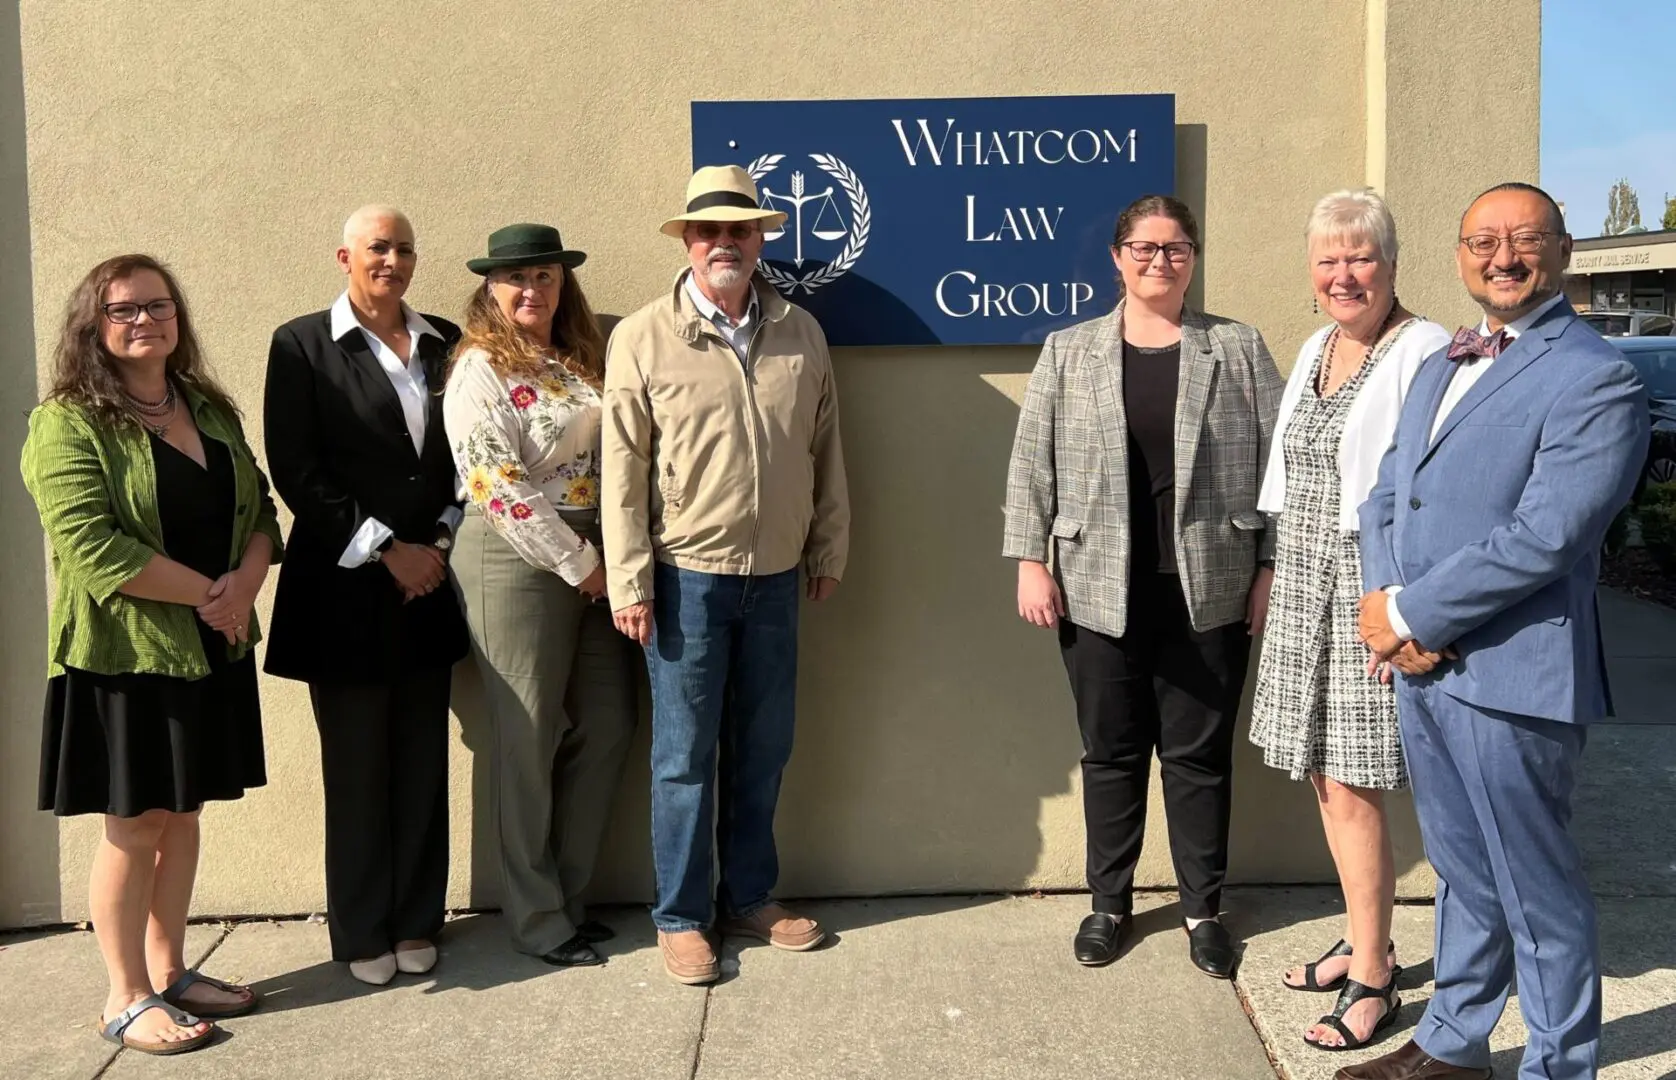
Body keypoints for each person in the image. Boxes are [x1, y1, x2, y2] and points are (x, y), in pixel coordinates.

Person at [1343, 182, 1648, 1080]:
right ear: (1460, 254)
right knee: (1464, 872)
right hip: (1424, 671)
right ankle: (1452, 1045)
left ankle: (1559, 1066)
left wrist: (1409, 614)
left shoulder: (1597, 375)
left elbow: (1548, 535)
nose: (1502, 257)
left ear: (1563, 251)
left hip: (1517, 674)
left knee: (1534, 888)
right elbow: (1385, 495)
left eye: (1524, 240)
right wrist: (1387, 612)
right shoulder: (1442, 360)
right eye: (1482, 241)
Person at [1003, 194, 1283, 978]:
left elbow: (1282, 468)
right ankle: (1110, 904)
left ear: (1193, 256)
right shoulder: (1070, 350)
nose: (1162, 260)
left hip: (1210, 587)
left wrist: (1270, 566)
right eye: (1146, 247)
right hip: (1094, 586)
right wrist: (1029, 558)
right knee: (1112, 753)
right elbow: (1032, 463)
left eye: (1177, 247)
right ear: (1118, 256)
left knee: (1199, 758)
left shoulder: (1236, 346)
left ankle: (1203, 910)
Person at [22, 255, 282, 1054]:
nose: (145, 320)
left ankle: (170, 971)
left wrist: (244, 582)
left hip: (212, 649)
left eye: (158, 305)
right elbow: (93, 545)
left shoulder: (205, 405)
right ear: (92, 326)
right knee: (134, 825)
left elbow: (261, 510)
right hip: (126, 657)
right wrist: (217, 595)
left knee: (186, 813)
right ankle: (125, 997)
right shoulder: (67, 422)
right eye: (123, 309)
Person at [601, 164, 850, 986]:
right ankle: (680, 916)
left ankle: (750, 894)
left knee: (764, 747)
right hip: (686, 581)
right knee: (682, 758)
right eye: (708, 231)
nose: (724, 243)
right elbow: (623, 469)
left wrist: (827, 547)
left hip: (777, 577)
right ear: (687, 241)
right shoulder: (643, 336)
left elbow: (827, 451)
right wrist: (631, 581)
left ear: (761, 239)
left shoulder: (799, 332)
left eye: (739, 230)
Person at [1248, 189, 1451, 1051]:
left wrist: (1405, 605)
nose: (1343, 275)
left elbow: (1437, 489)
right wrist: (1268, 570)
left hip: (1372, 591)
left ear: (1392, 263)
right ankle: (1367, 936)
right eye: (1327, 260)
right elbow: (1288, 474)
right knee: (1324, 778)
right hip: (1302, 580)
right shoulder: (1316, 347)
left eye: (1359, 257)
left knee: (1356, 781)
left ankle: (1375, 976)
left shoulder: (1427, 348)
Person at [262, 206, 469, 986]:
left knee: (421, 765)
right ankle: (360, 932)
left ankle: (420, 919)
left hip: (430, 585)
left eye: (405, 247)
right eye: (378, 247)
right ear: (344, 255)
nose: (393, 259)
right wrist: (389, 550)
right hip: (346, 590)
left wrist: (440, 542)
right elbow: (297, 468)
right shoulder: (302, 343)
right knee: (356, 770)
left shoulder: (445, 338)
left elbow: (463, 455)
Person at [443, 223, 637, 968]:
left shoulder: (581, 356)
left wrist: (603, 560)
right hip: (518, 556)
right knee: (525, 740)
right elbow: (497, 485)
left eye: (546, 277)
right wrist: (577, 564)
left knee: (611, 723)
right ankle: (535, 919)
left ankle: (570, 897)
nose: (532, 291)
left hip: (595, 555)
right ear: (491, 288)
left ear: (564, 284)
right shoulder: (478, 369)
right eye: (516, 279)